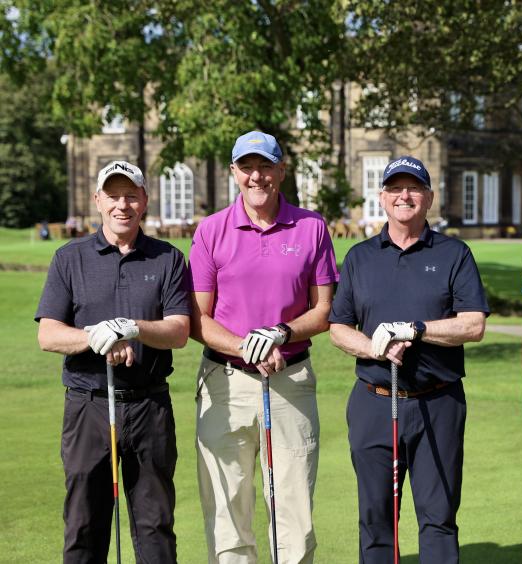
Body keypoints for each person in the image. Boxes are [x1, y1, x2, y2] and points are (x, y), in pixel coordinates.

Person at [329, 156, 489, 563]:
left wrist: (415, 329)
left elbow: (472, 325)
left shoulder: (454, 254)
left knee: (438, 517)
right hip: (374, 401)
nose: (405, 196)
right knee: (376, 518)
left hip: (438, 402)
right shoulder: (360, 257)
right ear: (382, 198)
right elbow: (337, 328)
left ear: (429, 198)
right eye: (395, 188)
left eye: (414, 188)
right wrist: (373, 347)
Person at [189, 131, 339, 564]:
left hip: (290, 381)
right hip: (225, 382)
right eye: (247, 167)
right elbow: (198, 318)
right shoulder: (211, 231)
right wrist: (248, 345)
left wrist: (280, 333)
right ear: (234, 172)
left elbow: (324, 309)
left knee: (293, 512)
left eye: (266, 166)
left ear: (281, 171)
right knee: (227, 509)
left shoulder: (311, 227)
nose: (257, 176)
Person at [35, 160, 191, 563]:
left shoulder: (168, 258)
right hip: (88, 407)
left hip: (149, 407)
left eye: (131, 195)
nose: (122, 205)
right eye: (114, 195)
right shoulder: (70, 258)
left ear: (144, 201)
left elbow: (178, 330)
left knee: (155, 527)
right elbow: (48, 334)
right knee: (84, 526)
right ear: (98, 200)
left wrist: (133, 329)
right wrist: (97, 337)